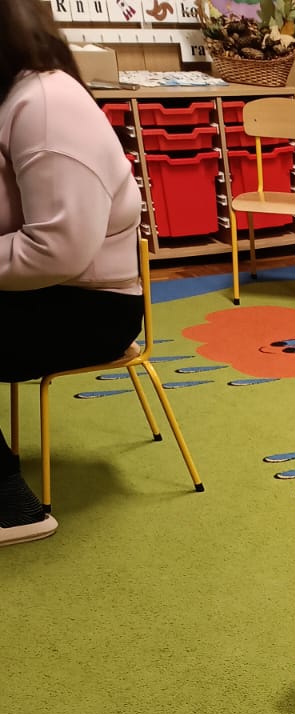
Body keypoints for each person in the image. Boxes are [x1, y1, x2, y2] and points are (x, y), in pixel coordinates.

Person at [0, 0, 144, 546]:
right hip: (44, 290)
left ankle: (11, 509)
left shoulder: (44, 103)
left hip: (90, 306)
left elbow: (58, 251)